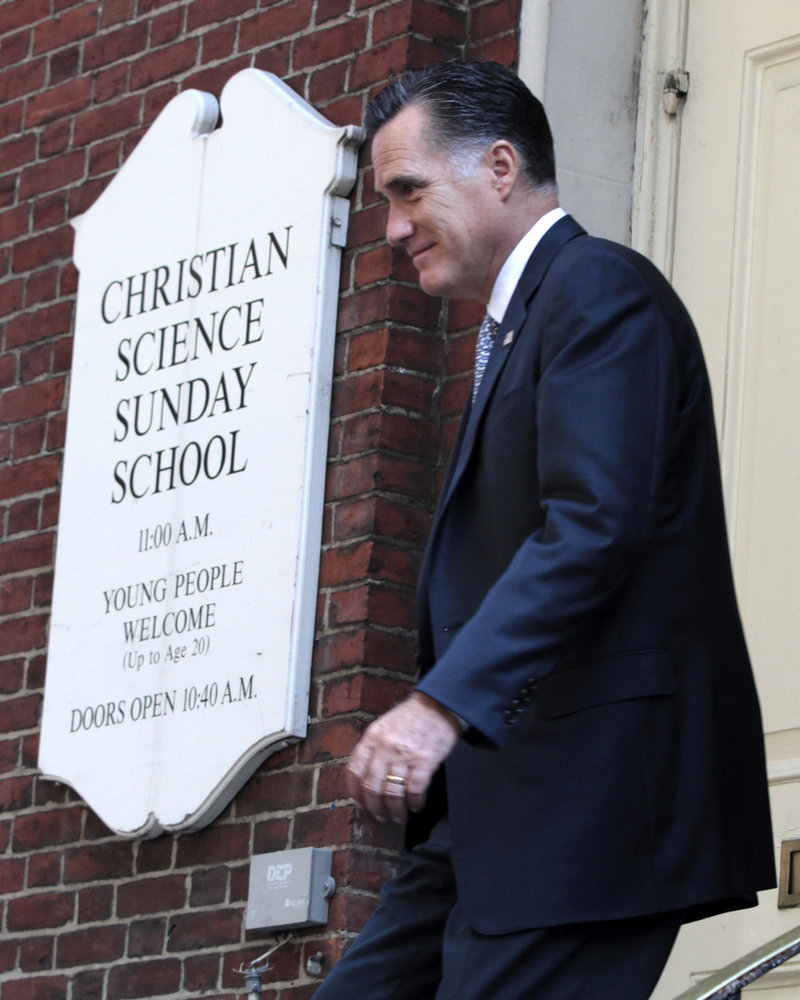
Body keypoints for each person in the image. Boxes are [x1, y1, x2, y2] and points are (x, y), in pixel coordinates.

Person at [314, 60, 775, 1000]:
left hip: (589, 813)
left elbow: (595, 528)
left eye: (407, 191)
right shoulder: (518, 322)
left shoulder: (599, 291)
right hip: (490, 816)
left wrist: (439, 705)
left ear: (497, 167)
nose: (393, 226)